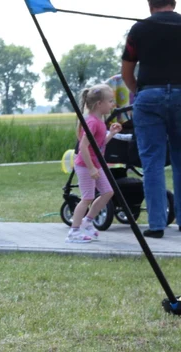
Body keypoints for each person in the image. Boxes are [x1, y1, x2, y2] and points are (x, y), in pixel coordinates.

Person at [121, 0, 181, 238]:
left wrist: (141, 92)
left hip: (148, 95)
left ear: (149, 5)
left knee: (152, 164)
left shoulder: (138, 29)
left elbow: (127, 71)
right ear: (174, 2)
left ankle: (157, 225)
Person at [68, 85, 122, 243]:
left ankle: (88, 221)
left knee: (107, 192)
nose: (113, 104)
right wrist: (91, 168)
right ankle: (74, 232)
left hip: (95, 164)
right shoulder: (92, 122)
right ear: (99, 104)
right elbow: (83, 147)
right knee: (87, 198)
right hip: (85, 165)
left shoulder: (100, 121)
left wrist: (111, 134)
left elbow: (98, 144)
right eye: (110, 101)